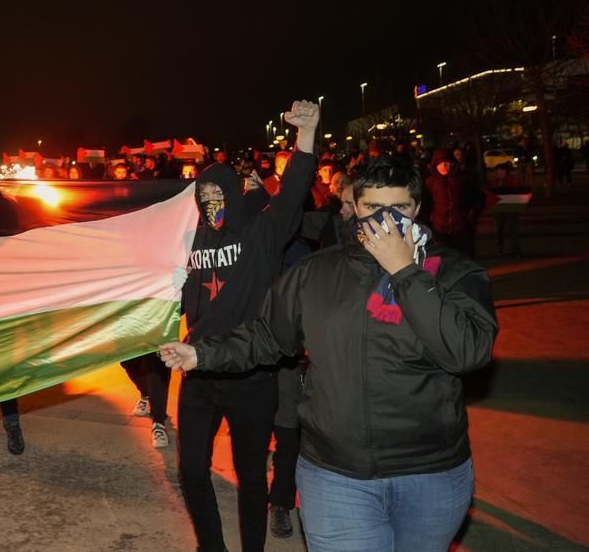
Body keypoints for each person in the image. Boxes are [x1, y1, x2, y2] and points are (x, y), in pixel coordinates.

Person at [160, 155, 498, 552]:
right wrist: (202, 355)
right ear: (354, 208)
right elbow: (268, 336)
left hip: (429, 474)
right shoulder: (317, 272)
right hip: (337, 474)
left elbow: (468, 352)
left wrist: (406, 273)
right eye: (374, 208)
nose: (386, 221)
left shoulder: (453, 271)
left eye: (399, 208)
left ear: (418, 208)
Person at [176, 100, 319, 552]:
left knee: (252, 476)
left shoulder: (261, 233)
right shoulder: (191, 238)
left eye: (219, 197)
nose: (211, 206)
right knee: (191, 471)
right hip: (198, 372)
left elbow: (294, 190)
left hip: (251, 376)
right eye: (204, 199)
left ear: (235, 196)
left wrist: (307, 136)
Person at [424, 150, 484, 259]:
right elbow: (426, 204)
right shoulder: (430, 182)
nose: (446, 166)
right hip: (439, 228)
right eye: (443, 163)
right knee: (443, 259)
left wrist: (472, 213)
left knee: (463, 258)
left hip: (462, 226)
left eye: (448, 163)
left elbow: (478, 198)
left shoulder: (464, 179)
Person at [120, 352, 172, 448]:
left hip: (156, 338)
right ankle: (146, 394)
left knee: (156, 366)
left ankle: (158, 422)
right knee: (129, 362)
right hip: (128, 337)